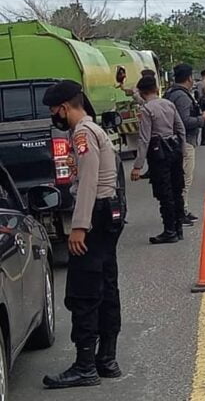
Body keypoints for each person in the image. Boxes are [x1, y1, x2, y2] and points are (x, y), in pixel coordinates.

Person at [41, 80, 125, 389]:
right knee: (106, 286)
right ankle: (107, 360)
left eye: (54, 110)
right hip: (109, 212)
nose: (54, 115)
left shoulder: (82, 133)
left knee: (84, 292)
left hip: (95, 214)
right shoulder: (96, 128)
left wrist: (79, 226)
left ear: (65, 108)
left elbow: (88, 181)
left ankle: (85, 366)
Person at [131, 76, 186, 244]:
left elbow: (144, 139)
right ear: (156, 88)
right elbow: (180, 129)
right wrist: (181, 151)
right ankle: (178, 228)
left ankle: (169, 231)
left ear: (141, 92)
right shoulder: (169, 104)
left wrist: (137, 166)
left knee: (164, 192)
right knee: (177, 189)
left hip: (158, 153)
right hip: (174, 148)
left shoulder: (147, 109)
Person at [165, 64, 205, 226]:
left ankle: (181, 210)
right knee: (185, 178)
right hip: (184, 142)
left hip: (175, 142)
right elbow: (184, 121)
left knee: (180, 178)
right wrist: (202, 119)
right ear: (189, 78)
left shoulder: (171, 93)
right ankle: (181, 211)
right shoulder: (182, 97)